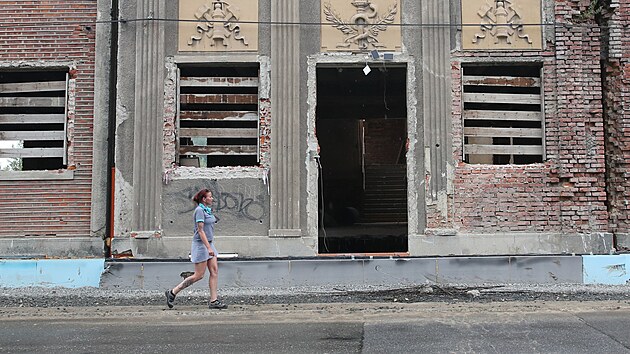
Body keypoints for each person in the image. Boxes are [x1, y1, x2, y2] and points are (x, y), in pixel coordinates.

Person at [165, 188, 228, 309]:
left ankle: (214, 301)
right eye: (210, 196)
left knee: (214, 272)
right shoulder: (199, 211)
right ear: (204, 199)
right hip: (201, 246)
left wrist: (210, 246)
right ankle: (172, 292)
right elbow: (200, 231)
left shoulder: (207, 211)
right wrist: (208, 248)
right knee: (199, 275)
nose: (212, 198)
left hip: (209, 244)